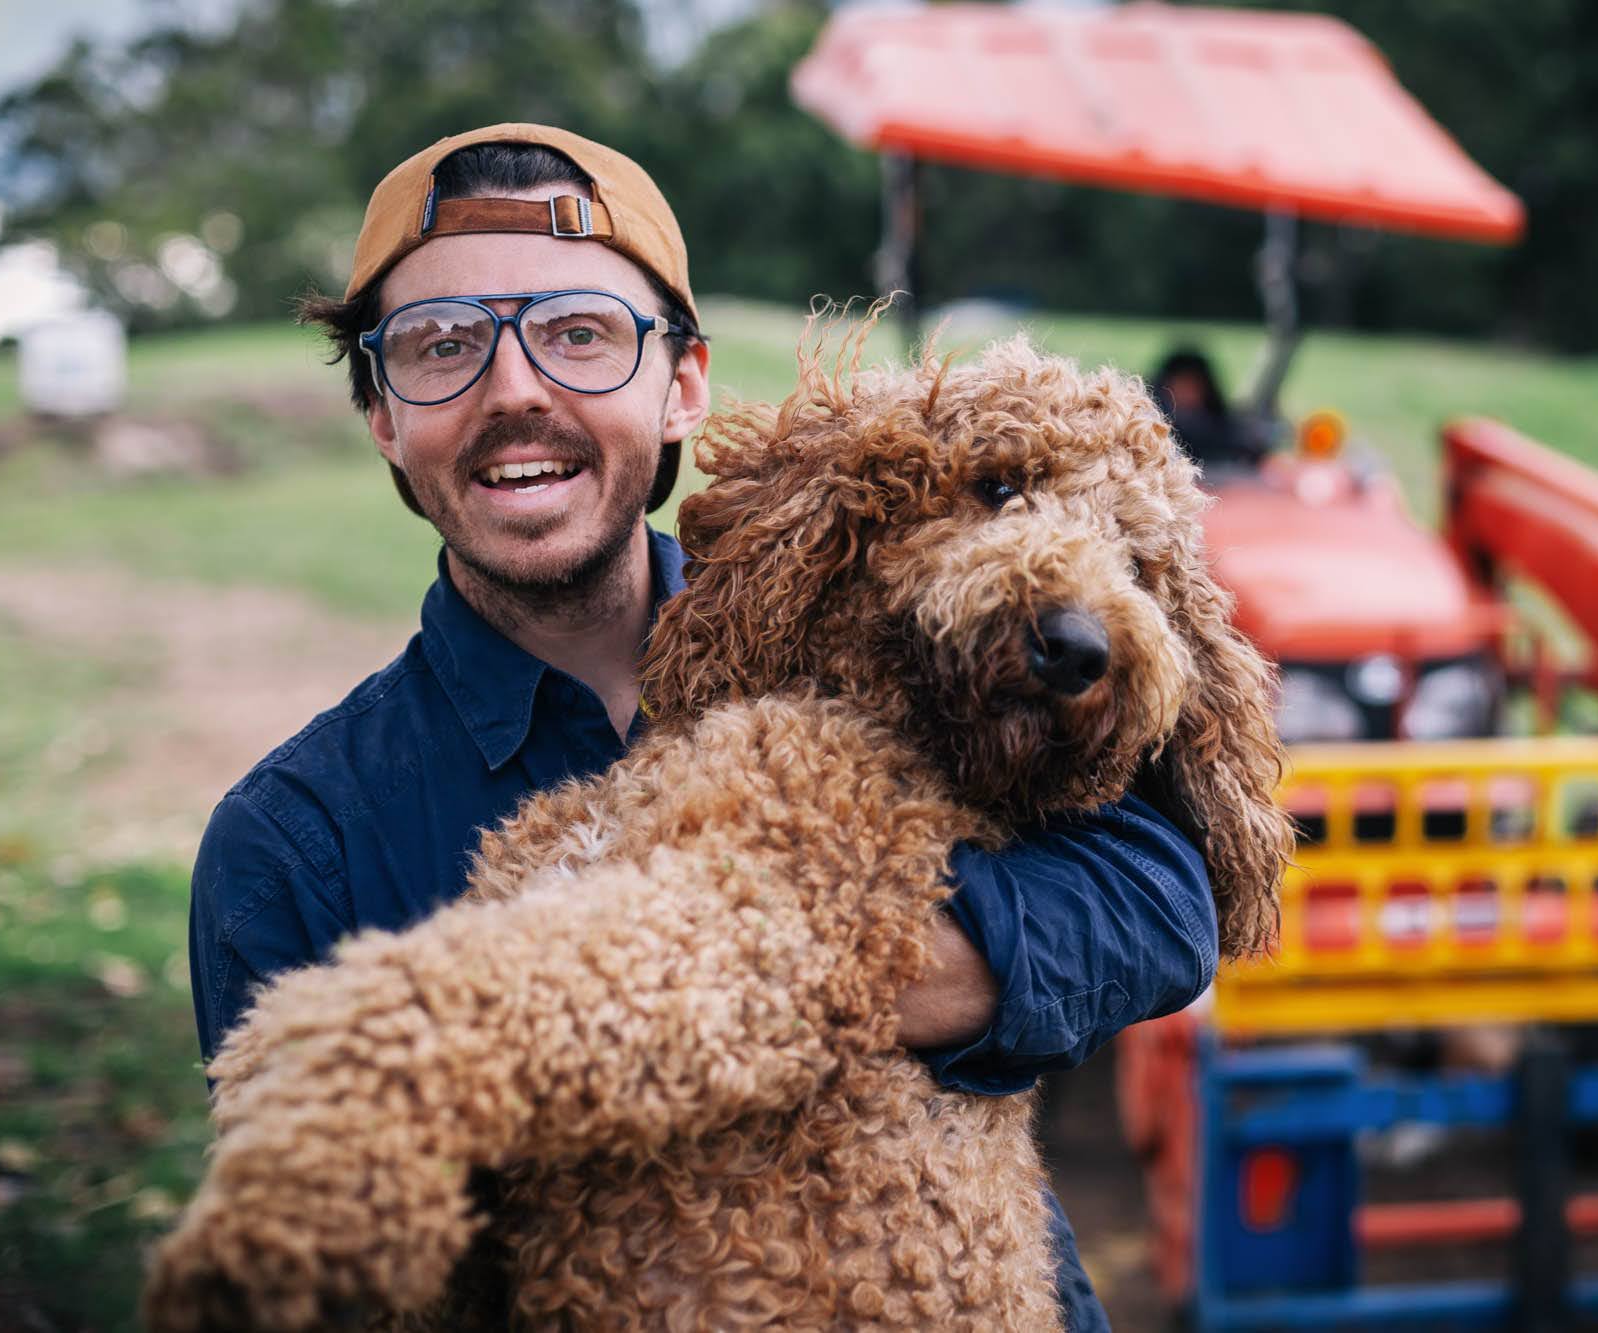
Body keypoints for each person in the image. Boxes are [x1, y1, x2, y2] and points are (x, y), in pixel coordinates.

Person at [186, 124, 1219, 1330]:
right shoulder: (295, 842)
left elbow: (1164, 892)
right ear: (383, 419)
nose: (513, 391)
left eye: (577, 332)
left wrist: (795, 959)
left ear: (680, 383)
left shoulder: (877, 638)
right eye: (441, 346)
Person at [1149, 345, 1267, 471]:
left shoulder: (1222, 429)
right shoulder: (1153, 433)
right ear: (1165, 388)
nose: (1188, 393)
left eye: (1194, 386)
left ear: (1206, 389)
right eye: (1182, 385)